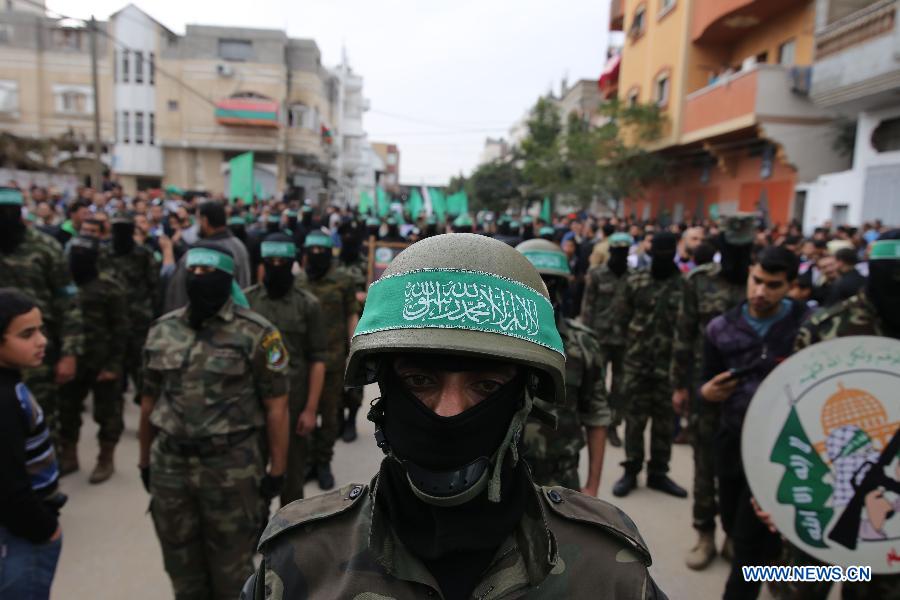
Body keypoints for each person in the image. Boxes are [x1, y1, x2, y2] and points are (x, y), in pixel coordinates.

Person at [242, 233, 664, 600]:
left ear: (523, 401)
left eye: (487, 387)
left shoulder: (607, 568)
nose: (448, 413)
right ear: (384, 391)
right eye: (420, 380)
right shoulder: (302, 558)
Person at [138, 243, 290, 600]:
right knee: (182, 568)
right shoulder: (162, 331)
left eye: (209, 273)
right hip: (170, 467)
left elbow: (277, 406)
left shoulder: (257, 332)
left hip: (230, 468)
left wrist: (277, 471)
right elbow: (148, 403)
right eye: (194, 272)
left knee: (232, 572)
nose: (199, 279)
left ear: (227, 279)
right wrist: (145, 461)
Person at [784, 231, 900, 599]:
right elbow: (787, 418)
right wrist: (773, 486)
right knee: (804, 587)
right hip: (822, 496)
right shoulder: (825, 329)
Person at [699, 246, 808, 600]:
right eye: (756, 281)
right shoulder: (721, 328)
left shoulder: (810, 326)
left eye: (773, 285)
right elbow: (702, 382)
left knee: (754, 538)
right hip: (734, 440)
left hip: (788, 449)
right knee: (732, 520)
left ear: (791, 285)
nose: (761, 292)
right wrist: (707, 391)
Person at [670, 214, 754, 570]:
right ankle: (704, 533)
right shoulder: (699, 282)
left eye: (743, 249)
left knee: (747, 466)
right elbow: (684, 334)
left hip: (753, 395)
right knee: (705, 464)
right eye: (731, 249)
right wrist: (678, 385)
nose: (737, 256)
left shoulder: (761, 281)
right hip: (705, 389)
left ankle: (735, 536)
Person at [517, 238, 610, 495]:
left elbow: (597, 415)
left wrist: (592, 487)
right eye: (534, 283)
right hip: (498, 480)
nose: (545, 292)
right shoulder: (491, 343)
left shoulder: (582, 345)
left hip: (561, 482)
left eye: (552, 283)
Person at [244, 233, 326, 505]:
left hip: (294, 403)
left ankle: (289, 537)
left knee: (292, 479)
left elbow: (317, 359)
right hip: (252, 403)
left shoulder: (308, 305)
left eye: (282, 261)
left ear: (292, 262)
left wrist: (311, 409)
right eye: (271, 261)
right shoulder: (247, 303)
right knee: (252, 474)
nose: (276, 266)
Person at [0, 187, 82, 447]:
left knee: (40, 424)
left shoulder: (45, 248)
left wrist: (70, 353)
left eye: (8, 213)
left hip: (38, 353)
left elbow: (69, 302)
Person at [612, 231, 688, 499]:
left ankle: (658, 473)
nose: (662, 259)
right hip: (636, 364)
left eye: (667, 254)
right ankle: (631, 469)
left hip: (669, 369)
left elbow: (689, 329)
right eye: (658, 254)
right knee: (634, 421)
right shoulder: (636, 280)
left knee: (665, 424)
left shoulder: (684, 286)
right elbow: (621, 317)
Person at [0, 289, 65, 599]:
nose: (41, 341)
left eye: (40, 329)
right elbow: (10, 485)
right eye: (27, 334)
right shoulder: (6, 400)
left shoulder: (12, 386)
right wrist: (45, 529)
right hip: (21, 535)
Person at [57, 236, 128, 483]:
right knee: (66, 410)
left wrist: (114, 365)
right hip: (72, 359)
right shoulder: (63, 285)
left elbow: (121, 329)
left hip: (103, 361)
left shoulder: (110, 288)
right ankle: (69, 456)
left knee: (107, 413)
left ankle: (105, 458)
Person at [299, 231, 359, 490]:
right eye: (311, 252)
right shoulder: (299, 282)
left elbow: (351, 316)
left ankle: (324, 462)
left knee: (330, 413)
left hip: (334, 359)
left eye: (320, 252)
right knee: (305, 412)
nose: (315, 257)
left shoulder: (342, 281)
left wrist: (354, 350)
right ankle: (309, 460)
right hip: (305, 361)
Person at [580, 232, 633, 448]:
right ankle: (591, 424)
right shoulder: (597, 274)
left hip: (625, 339)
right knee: (596, 385)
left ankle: (613, 425)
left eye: (624, 252)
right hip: (599, 337)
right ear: (610, 252)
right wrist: (585, 336)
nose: (620, 255)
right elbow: (587, 307)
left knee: (620, 386)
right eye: (617, 251)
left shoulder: (634, 277)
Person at [108, 212, 160, 405]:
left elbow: (154, 285)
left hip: (138, 318)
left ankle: (144, 405)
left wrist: (155, 315)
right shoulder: (105, 253)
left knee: (140, 365)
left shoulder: (143, 254)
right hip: (112, 319)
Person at [163, 201, 252, 312]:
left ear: (204, 221)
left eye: (198, 219)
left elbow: (178, 296)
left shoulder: (198, 254)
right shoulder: (239, 246)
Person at [335, 218, 368, 442]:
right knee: (336, 373)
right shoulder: (334, 264)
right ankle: (337, 417)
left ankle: (351, 420)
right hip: (335, 325)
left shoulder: (368, 262)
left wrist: (366, 295)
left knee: (356, 371)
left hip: (362, 321)